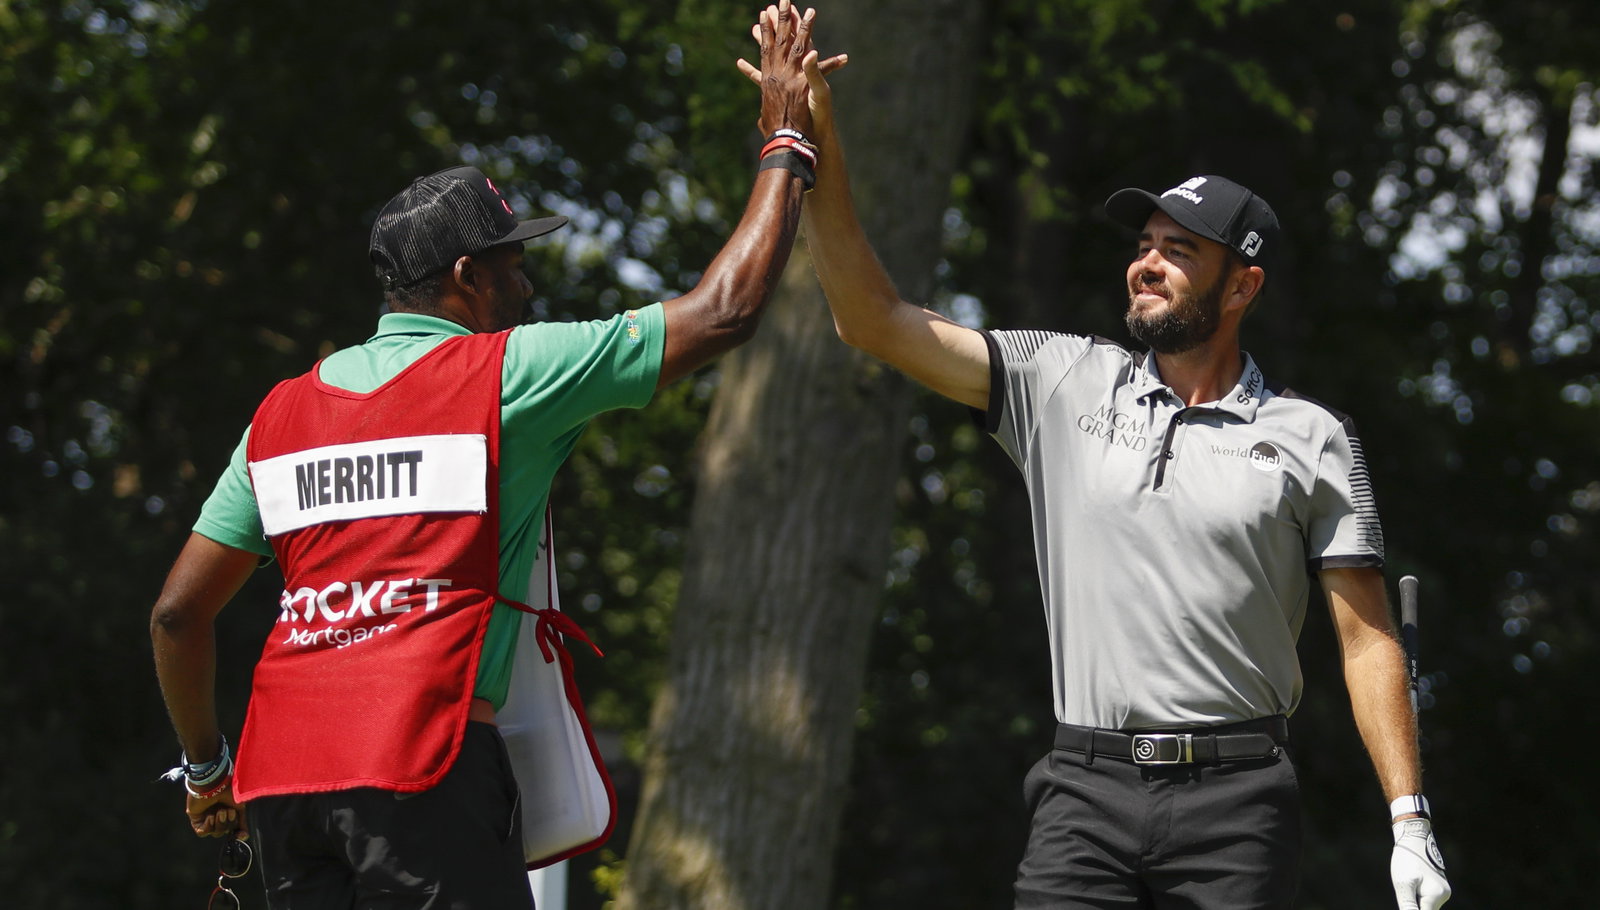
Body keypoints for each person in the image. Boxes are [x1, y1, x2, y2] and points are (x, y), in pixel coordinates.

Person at [753, 27, 1453, 910]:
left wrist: (1409, 820)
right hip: (1084, 788)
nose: (1147, 263)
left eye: (1180, 251)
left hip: (1239, 797)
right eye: (1146, 242)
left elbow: (1368, 641)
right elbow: (872, 320)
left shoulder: (1314, 437)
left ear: (1243, 287)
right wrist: (811, 141)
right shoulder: (1060, 378)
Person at [149, 5, 828, 906]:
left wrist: (205, 769)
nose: (528, 280)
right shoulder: (505, 372)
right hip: (420, 763)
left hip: (283, 785)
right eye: (512, 261)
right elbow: (724, 311)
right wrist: (789, 139)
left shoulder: (281, 414)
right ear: (467, 278)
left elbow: (176, 616)